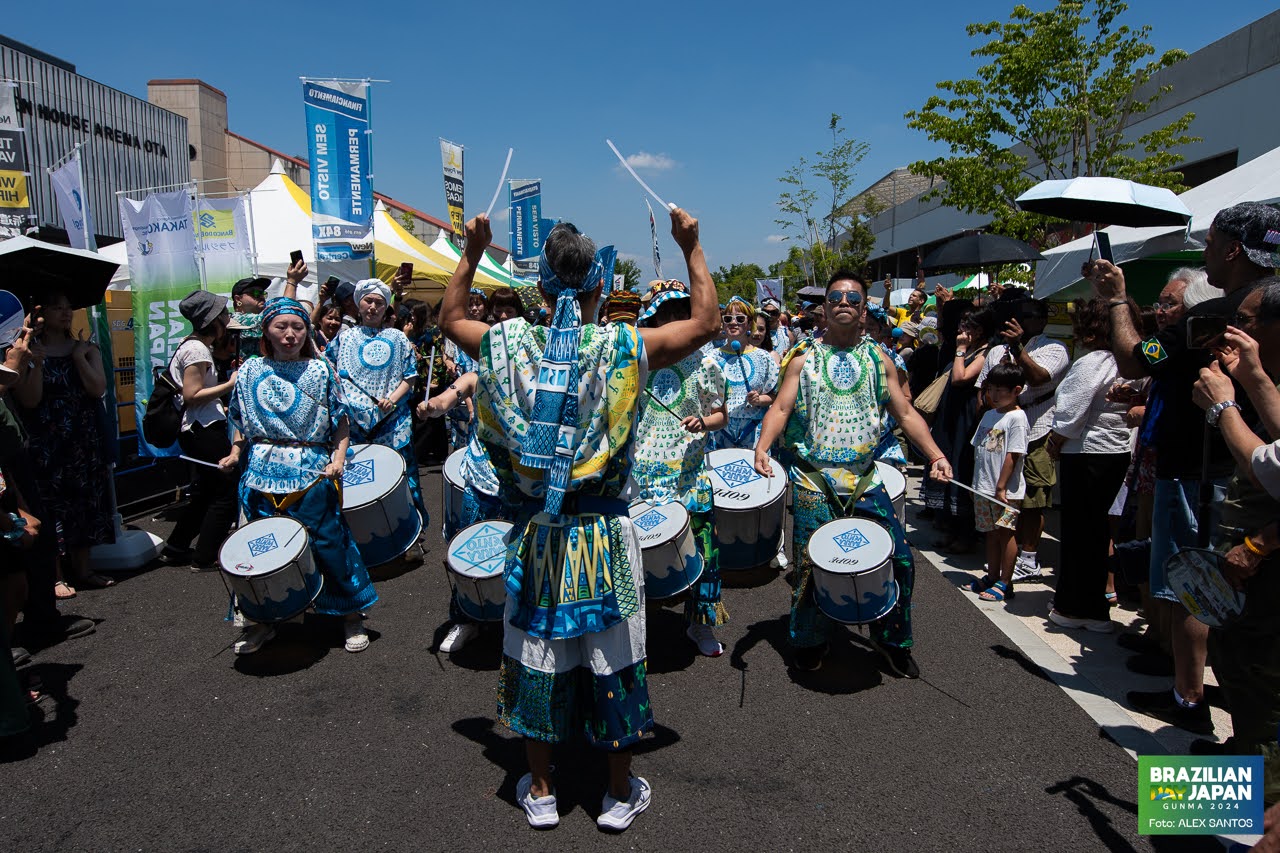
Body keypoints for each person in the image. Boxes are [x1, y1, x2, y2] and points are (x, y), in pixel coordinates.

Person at [440, 206, 719, 832]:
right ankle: (618, 794)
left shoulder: (507, 343)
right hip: (602, 534)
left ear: (541, 288)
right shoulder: (623, 347)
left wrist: (472, 251)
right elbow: (705, 323)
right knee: (613, 658)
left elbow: (450, 317)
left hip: (537, 533)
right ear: (599, 286)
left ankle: (541, 790)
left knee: (536, 655)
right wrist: (691, 246)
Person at [1091, 202, 1280, 735]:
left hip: (1215, 478)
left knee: (1201, 587)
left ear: (1232, 249)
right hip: (1254, 475)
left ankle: (1191, 702)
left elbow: (1131, 355)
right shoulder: (1269, 304)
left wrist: (1117, 299)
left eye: (1210, 244)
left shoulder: (1212, 316)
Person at [754, 270, 954, 677]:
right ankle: (809, 639)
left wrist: (935, 455)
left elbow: (905, 412)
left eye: (853, 298)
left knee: (897, 560)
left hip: (865, 475)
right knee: (812, 566)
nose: (844, 302)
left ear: (865, 311)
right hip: (814, 476)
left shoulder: (879, 359)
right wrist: (761, 447)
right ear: (824, 308)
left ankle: (892, 640)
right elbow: (780, 408)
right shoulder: (803, 357)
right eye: (836, 298)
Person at [220, 293, 378, 655]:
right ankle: (263, 619)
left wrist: (338, 458)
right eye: (281, 327)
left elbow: (340, 421)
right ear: (267, 330)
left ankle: (350, 614)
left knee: (328, 543)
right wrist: (234, 452)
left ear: (307, 331)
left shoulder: (322, 370)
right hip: (260, 471)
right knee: (261, 549)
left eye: (297, 327)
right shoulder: (249, 371)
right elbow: (239, 420)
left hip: (311, 471)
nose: (290, 334)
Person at [1189, 279, 1280, 803]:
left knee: (1264, 687)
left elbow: (1269, 467)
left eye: (1244, 322)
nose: (1233, 333)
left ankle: (1256, 807)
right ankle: (1241, 766)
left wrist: (1226, 406)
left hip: (1266, 572)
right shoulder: (1260, 375)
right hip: (1244, 569)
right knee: (1239, 667)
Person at [633, 283, 730, 656]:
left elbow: (722, 414)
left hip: (689, 478)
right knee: (637, 558)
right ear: (653, 320)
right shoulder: (638, 363)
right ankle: (636, 625)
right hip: (641, 478)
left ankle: (700, 624)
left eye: (680, 312)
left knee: (703, 553)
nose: (672, 320)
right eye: (664, 314)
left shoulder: (707, 363)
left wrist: (704, 423)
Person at [1043, 298, 1139, 632]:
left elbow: (1071, 410)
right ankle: (1096, 605)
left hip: (1087, 452)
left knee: (1079, 532)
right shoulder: (1130, 362)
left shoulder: (1095, 361)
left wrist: (1054, 442)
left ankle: (1073, 606)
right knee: (1098, 532)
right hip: (1116, 451)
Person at [12, 290, 114, 595]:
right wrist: (37, 364)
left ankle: (83, 569)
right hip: (46, 438)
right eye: (57, 308)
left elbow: (98, 389)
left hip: (82, 437)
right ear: (41, 314)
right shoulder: (28, 351)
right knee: (51, 504)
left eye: (68, 307)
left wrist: (79, 358)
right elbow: (30, 400)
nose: (65, 313)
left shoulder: (85, 347)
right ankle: (55, 576)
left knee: (84, 500)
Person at [975, 296, 1070, 583]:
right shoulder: (996, 350)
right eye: (1014, 315)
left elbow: (1040, 378)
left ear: (1041, 320)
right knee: (997, 500)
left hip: (1037, 427)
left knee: (1031, 499)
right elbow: (982, 387)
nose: (1017, 321)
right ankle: (1001, 563)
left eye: (1026, 316)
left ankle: (1027, 558)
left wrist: (1018, 349)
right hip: (997, 431)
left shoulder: (1054, 348)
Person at [152, 291, 239, 572]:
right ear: (212, 320)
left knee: (204, 491)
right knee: (226, 488)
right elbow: (192, 394)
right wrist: (230, 384)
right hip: (202, 428)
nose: (227, 317)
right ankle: (205, 555)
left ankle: (177, 547)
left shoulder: (192, 345)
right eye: (223, 313)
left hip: (197, 429)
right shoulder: (198, 350)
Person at [328, 279, 426, 524]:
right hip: (354, 426)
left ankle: (410, 530)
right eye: (368, 301)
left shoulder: (398, 337)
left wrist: (392, 400)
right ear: (358, 303)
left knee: (401, 475)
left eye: (379, 303)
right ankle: (366, 529)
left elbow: (410, 377)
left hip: (393, 422)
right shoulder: (343, 338)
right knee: (360, 479)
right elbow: (328, 371)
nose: (373, 307)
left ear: (386, 308)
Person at [921, 302, 993, 553]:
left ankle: (966, 533)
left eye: (970, 325)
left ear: (982, 330)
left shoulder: (985, 352)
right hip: (949, 415)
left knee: (962, 469)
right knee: (945, 462)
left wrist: (961, 350)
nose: (963, 329)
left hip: (967, 417)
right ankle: (947, 526)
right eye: (962, 323)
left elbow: (961, 378)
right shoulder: (961, 348)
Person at [966, 361, 1028, 603]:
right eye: (991, 389)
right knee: (990, 533)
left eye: (1002, 390)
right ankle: (992, 575)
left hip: (1006, 492)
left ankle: (1006, 581)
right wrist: (974, 484)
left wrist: (1001, 486)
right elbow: (979, 450)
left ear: (1017, 390)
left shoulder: (1017, 418)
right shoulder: (989, 415)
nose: (995, 394)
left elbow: (1013, 454)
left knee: (1006, 533)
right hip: (983, 487)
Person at [709, 297, 779, 452]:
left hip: (753, 431)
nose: (733, 323)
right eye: (728, 319)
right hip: (720, 432)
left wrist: (759, 400)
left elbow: (775, 396)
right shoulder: (711, 358)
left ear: (749, 323)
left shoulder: (764, 357)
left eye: (740, 319)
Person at [229, 276, 270, 361]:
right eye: (255, 293)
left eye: (263, 293)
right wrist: (291, 282)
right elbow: (280, 318)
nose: (261, 296)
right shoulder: (235, 320)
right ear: (238, 299)